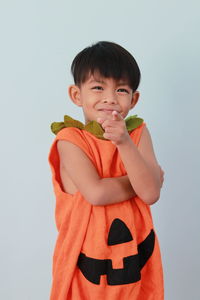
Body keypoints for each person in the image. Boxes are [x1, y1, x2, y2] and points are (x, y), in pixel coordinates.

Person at [48, 41, 165, 300]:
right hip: (85, 266)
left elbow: (150, 194)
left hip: (134, 264)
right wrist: (145, 178)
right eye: (98, 87)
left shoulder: (136, 134)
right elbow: (97, 194)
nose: (110, 98)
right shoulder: (70, 140)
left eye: (121, 90)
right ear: (77, 95)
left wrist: (123, 142)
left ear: (133, 99)